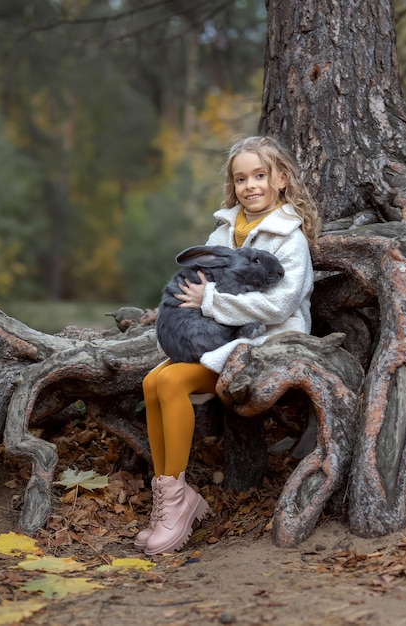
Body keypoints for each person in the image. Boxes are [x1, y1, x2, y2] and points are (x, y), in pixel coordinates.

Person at [135, 135, 321, 555]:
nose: (250, 185)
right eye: (241, 178)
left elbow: (279, 304)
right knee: (152, 382)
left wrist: (212, 303)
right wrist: (195, 308)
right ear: (232, 185)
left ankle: (177, 503)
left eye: (260, 175)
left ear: (282, 179)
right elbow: (204, 275)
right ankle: (172, 496)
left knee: (172, 384)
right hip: (222, 336)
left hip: (266, 342)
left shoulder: (288, 237)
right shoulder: (225, 228)